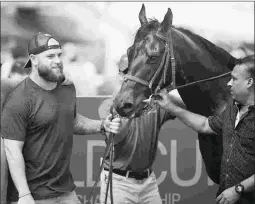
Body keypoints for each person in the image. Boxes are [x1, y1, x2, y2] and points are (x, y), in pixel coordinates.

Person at [1, 32, 121, 204]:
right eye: (50, 56)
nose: (57, 60)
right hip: (35, 197)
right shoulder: (19, 98)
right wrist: (24, 194)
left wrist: (102, 126)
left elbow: (70, 120)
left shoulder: (67, 87)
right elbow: (13, 151)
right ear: (34, 60)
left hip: (66, 192)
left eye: (59, 55)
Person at [154, 57, 255, 204]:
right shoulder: (232, 109)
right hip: (226, 198)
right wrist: (170, 107)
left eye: (234, 79)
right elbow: (205, 125)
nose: (229, 83)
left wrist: (238, 189)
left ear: (249, 82)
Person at [97, 71, 186, 204]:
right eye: (127, 73)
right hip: (118, 182)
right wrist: (125, 112)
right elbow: (115, 139)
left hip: (148, 181)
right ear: (121, 76)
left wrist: (167, 95)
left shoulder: (154, 104)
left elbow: (187, 104)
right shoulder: (108, 106)